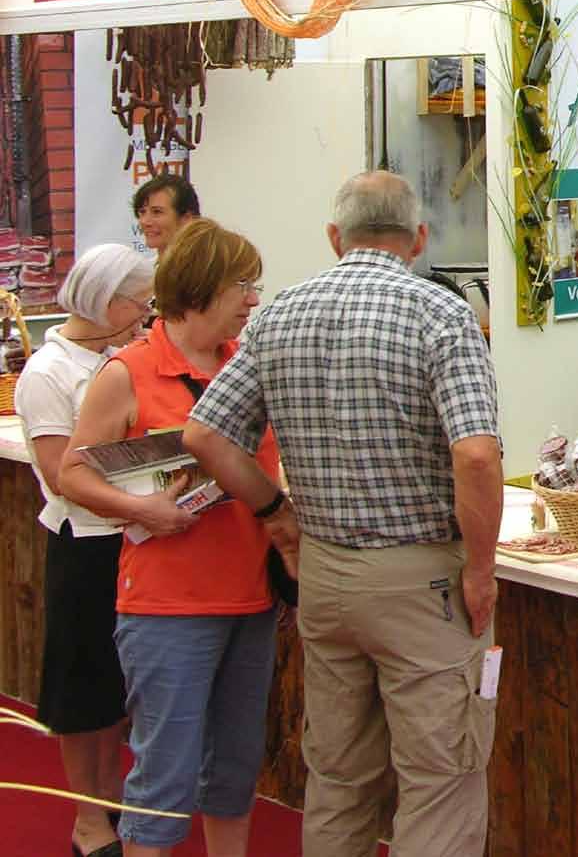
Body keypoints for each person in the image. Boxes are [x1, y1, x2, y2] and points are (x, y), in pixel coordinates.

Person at [183, 171, 504, 857]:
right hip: (423, 582)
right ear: (418, 238)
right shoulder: (441, 314)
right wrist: (481, 569)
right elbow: (476, 455)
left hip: (325, 575)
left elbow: (205, 435)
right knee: (440, 779)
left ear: (336, 237)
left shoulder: (279, 313)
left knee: (338, 778)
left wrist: (277, 512)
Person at [57, 220, 276, 857]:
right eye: (243, 285)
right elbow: (72, 472)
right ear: (202, 287)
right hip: (168, 607)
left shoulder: (245, 365)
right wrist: (143, 509)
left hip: (251, 598)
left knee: (234, 770)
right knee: (163, 776)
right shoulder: (128, 371)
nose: (252, 300)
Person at [14, 245, 155, 857]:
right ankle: (88, 817)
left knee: (121, 684)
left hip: (133, 540)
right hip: (85, 546)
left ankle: (112, 792)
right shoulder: (48, 371)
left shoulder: (121, 358)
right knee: (82, 687)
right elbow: (60, 474)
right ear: (110, 300)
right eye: (141, 301)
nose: (147, 312)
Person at [131, 173, 201, 254]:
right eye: (142, 212)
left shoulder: (208, 262)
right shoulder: (144, 262)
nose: (145, 222)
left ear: (187, 219)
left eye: (157, 212)